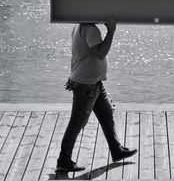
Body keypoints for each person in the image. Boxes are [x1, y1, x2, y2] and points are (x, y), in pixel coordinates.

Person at [57, 20, 137, 172]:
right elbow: (100, 54)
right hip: (87, 85)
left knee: (107, 114)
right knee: (77, 123)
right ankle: (63, 160)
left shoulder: (78, 26)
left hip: (94, 83)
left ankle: (116, 150)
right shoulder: (90, 29)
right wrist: (111, 31)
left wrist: (72, 75)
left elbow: (77, 55)